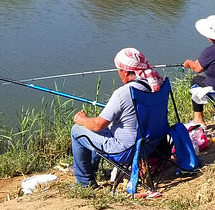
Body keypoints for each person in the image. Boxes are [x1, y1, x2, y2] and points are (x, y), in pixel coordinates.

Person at [70, 48, 163, 187]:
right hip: (152, 144)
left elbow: (97, 125)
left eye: (118, 70)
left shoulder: (123, 93)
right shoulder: (156, 86)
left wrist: (82, 120)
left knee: (77, 130)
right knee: (103, 130)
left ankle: (84, 181)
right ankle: (91, 170)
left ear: (125, 72)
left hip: (127, 151)